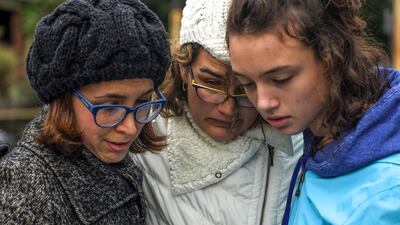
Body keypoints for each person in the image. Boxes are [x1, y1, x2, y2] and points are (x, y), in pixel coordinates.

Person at [226, 0, 400, 224]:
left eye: (281, 79)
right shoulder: (321, 134)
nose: (263, 103)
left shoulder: (387, 194)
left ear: (333, 54)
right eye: (246, 84)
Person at [131, 0, 303, 224]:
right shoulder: (141, 138)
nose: (228, 108)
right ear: (184, 70)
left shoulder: (299, 141)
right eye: (212, 83)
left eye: (244, 87)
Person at [0, 0, 170, 224]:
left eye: (143, 101)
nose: (129, 128)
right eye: (109, 107)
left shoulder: (116, 160)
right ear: (64, 101)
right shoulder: (25, 191)